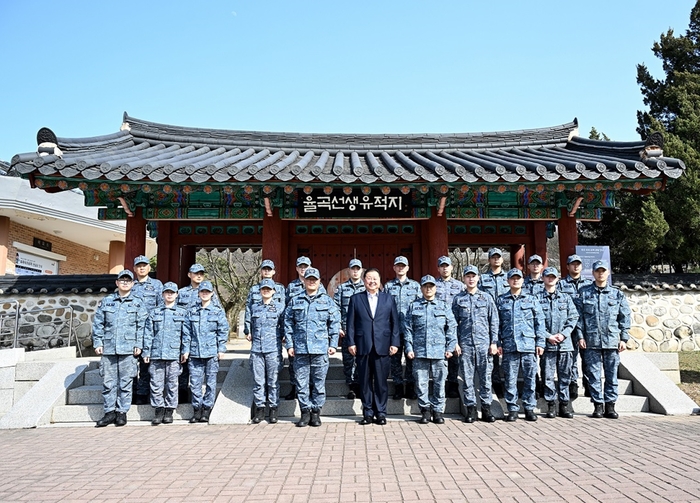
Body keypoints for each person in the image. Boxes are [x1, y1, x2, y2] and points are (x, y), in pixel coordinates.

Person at [284, 267, 340, 427]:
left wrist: (333, 343)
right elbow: (288, 323)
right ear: (305, 281)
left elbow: (334, 322)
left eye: (314, 279)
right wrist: (289, 344)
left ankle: (316, 412)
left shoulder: (327, 301)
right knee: (301, 383)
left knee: (318, 383)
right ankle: (305, 412)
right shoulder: (295, 300)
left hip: (320, 349)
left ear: (319, 282)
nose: (311, 282)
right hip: (300, 349)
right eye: (309, 279)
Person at [92, 270, 149, 427]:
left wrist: (139, 345)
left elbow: (142, 325)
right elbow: (98, 323)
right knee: (108, 382)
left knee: (125, 382)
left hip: (128, 349)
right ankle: (109, 412)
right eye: (122, 280)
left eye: (128, 280)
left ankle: (122, 412)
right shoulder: (107, 301)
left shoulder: (138, 303)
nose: (125, 282)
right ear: (117, 283)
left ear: (133, 284)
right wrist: (98, 342)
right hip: (109, 348)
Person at [577, 260, 631, 419]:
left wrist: (624, 338)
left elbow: (624, 317)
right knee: (593, 375)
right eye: (597, 271)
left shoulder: (617, 294)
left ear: (608, 273)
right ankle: (598, 405)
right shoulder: (584, 293)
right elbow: (578, 318)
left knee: (611, 375)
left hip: (612, 340)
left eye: (603, 271)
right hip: (591, 341)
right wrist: (580, 336)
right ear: (593, 273)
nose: (600, 273)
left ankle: (610, 405)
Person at [346, 267, 400, 425]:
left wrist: (395, 343)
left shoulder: (388, 299)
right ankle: (368, 413)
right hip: (363, 345)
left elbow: (394, 323)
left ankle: (381, 413)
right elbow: (350, 324)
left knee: (381, 382)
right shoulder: (356, 299)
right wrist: (351, 342)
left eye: (375, 278)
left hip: (383, 345)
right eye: (369, 278)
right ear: (364, 281)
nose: (372, 281)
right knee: (365, 382)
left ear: (380, 280)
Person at [404, 275, 457, 425]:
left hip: (440, 352)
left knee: (440, 382)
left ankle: (438, 411)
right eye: (426, 286)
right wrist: (409, 347)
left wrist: (450, 347)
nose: (428, 289)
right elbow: (408, 329)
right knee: (421, 383)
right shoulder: (414, 306)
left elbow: (451, 328)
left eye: (431, 286)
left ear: (435, 288)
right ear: (421, 288)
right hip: (420, 351)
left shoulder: (444, 306)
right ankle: (425, 410)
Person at [496, 268, 546, 422]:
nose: (515, 280)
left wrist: (540, 343)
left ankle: (529, 407)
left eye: (518, 278)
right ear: (508, 281)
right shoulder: (501, 300)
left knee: (530, 378)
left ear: (523, 281)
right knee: (510, 379)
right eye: (512, 278)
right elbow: (496, 324)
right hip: (510, 345)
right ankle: (512, 409)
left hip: (529, 345)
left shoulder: (531, 300)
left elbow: (540, 322)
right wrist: (498, 343)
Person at [452, 265, 499, 423]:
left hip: (484, 345)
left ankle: (486, 409)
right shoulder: (458, 299)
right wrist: (455, 343)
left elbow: (494, 321)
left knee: (486, 378)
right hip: (465, 345)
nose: (471, 279)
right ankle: (471, 409)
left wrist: (494, 342)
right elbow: (453, 323)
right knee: (467, 378)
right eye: (468, 276)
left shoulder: (486, 298)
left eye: (473, 276)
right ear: (464, 279)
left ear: (478, 278)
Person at [181, 280, 229, 424]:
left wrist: (221, 349)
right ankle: (197, 409)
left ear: (212, 294)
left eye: (207, 292)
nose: (204, 294)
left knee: (210, 382)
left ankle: (207, 409)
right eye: (202, 292)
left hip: (211, 352)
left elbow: (223, 331)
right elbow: (186, 332)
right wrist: (186, 350)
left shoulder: (217, 311)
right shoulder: (191, 311)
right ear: (198, 293)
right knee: (195, 383)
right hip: (195, 353)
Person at [536, 267, 579, 419]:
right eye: (548, 276)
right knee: (547, 376)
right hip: (548, 344)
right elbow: (536, 321)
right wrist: (548, 336)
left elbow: (573, 318)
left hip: (565, 344)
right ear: (543, 278)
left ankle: (564, 405)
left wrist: (564, 334)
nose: (550, 279)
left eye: (553, 277)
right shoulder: (536, 298)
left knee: (565, 376)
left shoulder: (566, 298)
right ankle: (551, 405)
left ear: (557, 279)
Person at [142, 281, 187, 425]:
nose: (169, 295)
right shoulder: (154, 312)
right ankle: (158, 409)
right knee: (156, 384)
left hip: (174, 354)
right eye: (167, 292)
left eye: (172, 293)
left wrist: (185, 351)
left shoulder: (182, 313)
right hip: (156, 354)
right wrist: (146, 351)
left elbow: (186, 335)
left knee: (172, 384)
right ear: (162, 294)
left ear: (176, 295)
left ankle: (169, 410)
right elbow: (148, 333)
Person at [284, 256, 327, 401]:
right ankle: (294, 387)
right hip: (298, 335)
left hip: (315, 339)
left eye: (305, 266)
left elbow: (326, 313)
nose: (303, 269)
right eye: (300, 266)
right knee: (295, 366)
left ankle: (313, 402)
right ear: (296, 268)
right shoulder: (291, 287)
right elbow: (287, 312)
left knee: (316, 374)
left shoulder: (320, 288)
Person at [247, 278, 284, 424]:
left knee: (273, 382)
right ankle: (260, 409)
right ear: (260, 291)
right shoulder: (254, 308)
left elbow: (284, 327)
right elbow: (250, 325)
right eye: (264, 289)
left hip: (273, 349)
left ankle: (273, 409)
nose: (266, 291)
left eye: (269, 289)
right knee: (258, 382)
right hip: (257, 350)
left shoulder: (280, 308)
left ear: (274, 291)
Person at [384, 256, 422, 400]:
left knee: (411, 359)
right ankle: (398, 386)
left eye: (403, 266)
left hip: (411, 330)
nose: (400, 268)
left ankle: (411, 387)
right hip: (394, 329)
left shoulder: (415, 286)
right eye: (398, 266)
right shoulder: (388, 286)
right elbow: (385, 308)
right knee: (395, 360)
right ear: (394, 268)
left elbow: (419, 307)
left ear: (407, 268)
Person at [557, 254, 593, 400]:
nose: (576, 266)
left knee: (588, 357)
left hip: (586, 325)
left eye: (578, 264)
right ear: (567, 266)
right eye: (573, 264)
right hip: (568, 326)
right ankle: (573, 382)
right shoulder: (560, 284)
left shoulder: (589, 284)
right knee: (571, 356)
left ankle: (589, 383)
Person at [131, 255, 164, 405]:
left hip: (150, 330)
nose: (141, 268)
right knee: (131, 365)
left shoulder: (157, 285)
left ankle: (144, 393)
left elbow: (162, 308)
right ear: (134, 269)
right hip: (131, 330)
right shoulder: (130, 285)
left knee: (147, 364)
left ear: (149, 268)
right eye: (139, 266)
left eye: (144, 265)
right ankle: (132, 392)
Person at [478, 247, 509, 397]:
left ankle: (509, 385)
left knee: (509, 352)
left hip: (508, 318)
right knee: (492, 351)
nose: (496, 259)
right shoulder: (482, 279)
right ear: (489, 260)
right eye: (493, 257)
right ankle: (495, 383)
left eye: (498, 257)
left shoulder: (510, 277)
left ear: (502, 259)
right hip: (488, 319)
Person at [333, 258, 366, 400]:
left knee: (362, 358)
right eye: (353, 269)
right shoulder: (342, 288)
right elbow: (336, 308)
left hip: (364, 331)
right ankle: (351, 386)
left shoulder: (366, 288)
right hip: (348, 330)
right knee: (349, 360)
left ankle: (361, 385)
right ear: (349, 270)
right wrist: (339, 326)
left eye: (358, 269)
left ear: (361, 270)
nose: (355, 271)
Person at [435, 256, 465, 398]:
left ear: (452, 267)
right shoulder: (433, 285)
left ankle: (452, 385)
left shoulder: (460, 286)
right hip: (438, 327)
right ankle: (439, 386)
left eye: (447, 265)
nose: (445, 268)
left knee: (454, 357)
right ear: (438, 268)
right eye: (442, 266)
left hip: (454, 326)